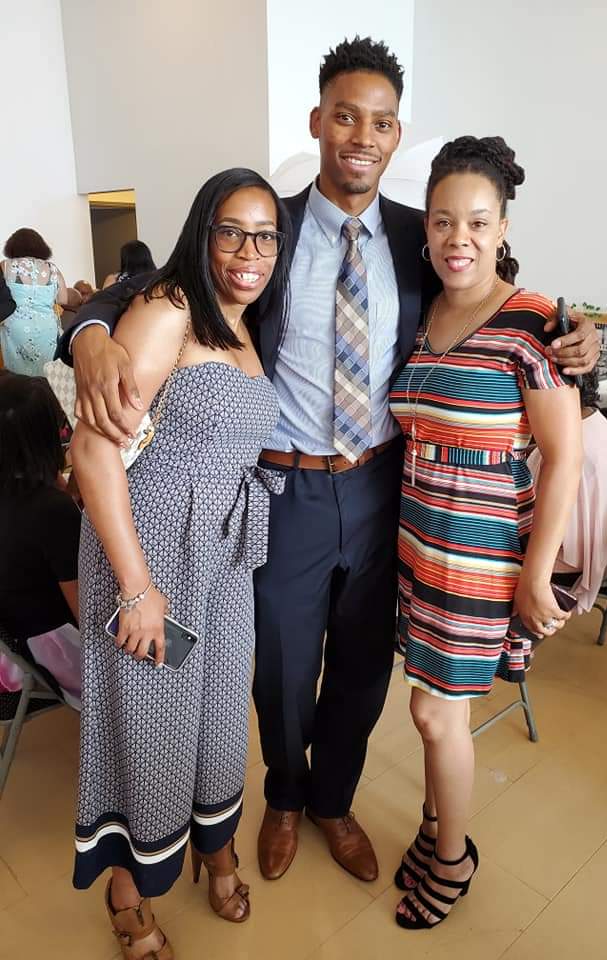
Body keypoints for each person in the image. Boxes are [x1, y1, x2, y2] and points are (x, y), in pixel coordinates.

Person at [60, 37, 600, 885]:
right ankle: (282, 796)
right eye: (345, 115)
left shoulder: (419, 237)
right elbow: (154, 284)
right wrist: (88, 330)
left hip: (387, 485)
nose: (362, 135)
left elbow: (501, 293)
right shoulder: (263, 232)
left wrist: (578, 338)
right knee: (278, 662)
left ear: (395, 135)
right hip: (284, 487)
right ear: (318, 121)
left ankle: (333, 801)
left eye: (381, 122)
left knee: (358, 662)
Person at [70, 168, 291, 959]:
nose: (248, 250)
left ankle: (215, 851)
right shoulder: (168, 311)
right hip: (152, 551)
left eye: (266, 235)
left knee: (223, 721)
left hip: (224, 560)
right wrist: (136, 590)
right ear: (202, 232)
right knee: (153, 730)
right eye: (230, 230)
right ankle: (128, 897)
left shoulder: (245, 323)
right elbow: (94, 451)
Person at [388, 135, 583, 929]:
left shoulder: (535, 321)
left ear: (502, 226)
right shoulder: (424, 307)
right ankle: (438, 819)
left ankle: (453, 859)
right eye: (442, 222)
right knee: (424, 708)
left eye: (476, 222)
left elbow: (565, 456)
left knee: (440, 715)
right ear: (426, 228)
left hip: (484, 554)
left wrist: (536, 578)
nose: (456, 238)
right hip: (419, 542)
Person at [0, 372, 81, 692]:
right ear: (49, 434)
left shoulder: (24, 492)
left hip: (21, 638)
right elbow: (87, 614)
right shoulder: (52, 512)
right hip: (60, 653)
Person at [528, 367, 607, 611]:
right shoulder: (595, 420)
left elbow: (549, 528)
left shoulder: (567, 448)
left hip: (573, 558)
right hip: (601, 544)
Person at [0, 228, 78, 375]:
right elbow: (63, 299)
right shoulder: (52, 269)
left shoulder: (5, 266)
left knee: (17, 377)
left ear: (12, 247)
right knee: (45, 374)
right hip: (46, 328)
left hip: (15, 327)